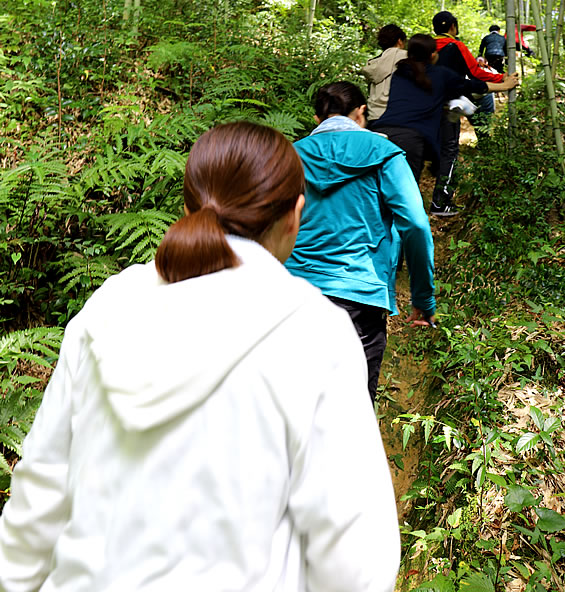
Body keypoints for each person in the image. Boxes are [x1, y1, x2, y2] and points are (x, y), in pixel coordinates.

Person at [0, 122, 401, 592]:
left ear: (188, 206)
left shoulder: (109, 307)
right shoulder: (315, 332)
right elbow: (355, 553)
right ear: (296, 214)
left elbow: (42, 487)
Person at [285, 82, 436, 403]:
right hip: (360, 294)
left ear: (317, 118)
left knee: (296, 405)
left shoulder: (290, 157)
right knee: (352, 412)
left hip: (295, 294)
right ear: (362, 112)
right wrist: (423, 298)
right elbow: (416, 224)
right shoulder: (383, 152)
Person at [372, 34, 519, 183]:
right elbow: (474, 85)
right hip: (410, 139)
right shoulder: (440, 74)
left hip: (380, 134)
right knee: (404, 193)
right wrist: (504, 85)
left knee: (380, 189)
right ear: (433, 55)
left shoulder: (400, 73)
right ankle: (441, 201)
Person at [431, 11, 516, 216]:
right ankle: (440, 202)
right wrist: (503, 78)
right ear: (453, 26)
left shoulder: (426, 46)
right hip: (449, 103)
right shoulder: (456, 45)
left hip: (425, 105)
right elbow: (475, 72)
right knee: (450, 150)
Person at [360, 23, 407, 123]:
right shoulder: (406, 57)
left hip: (374, 116)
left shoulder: (373, 63)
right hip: (399, 116)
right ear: (399, 41)